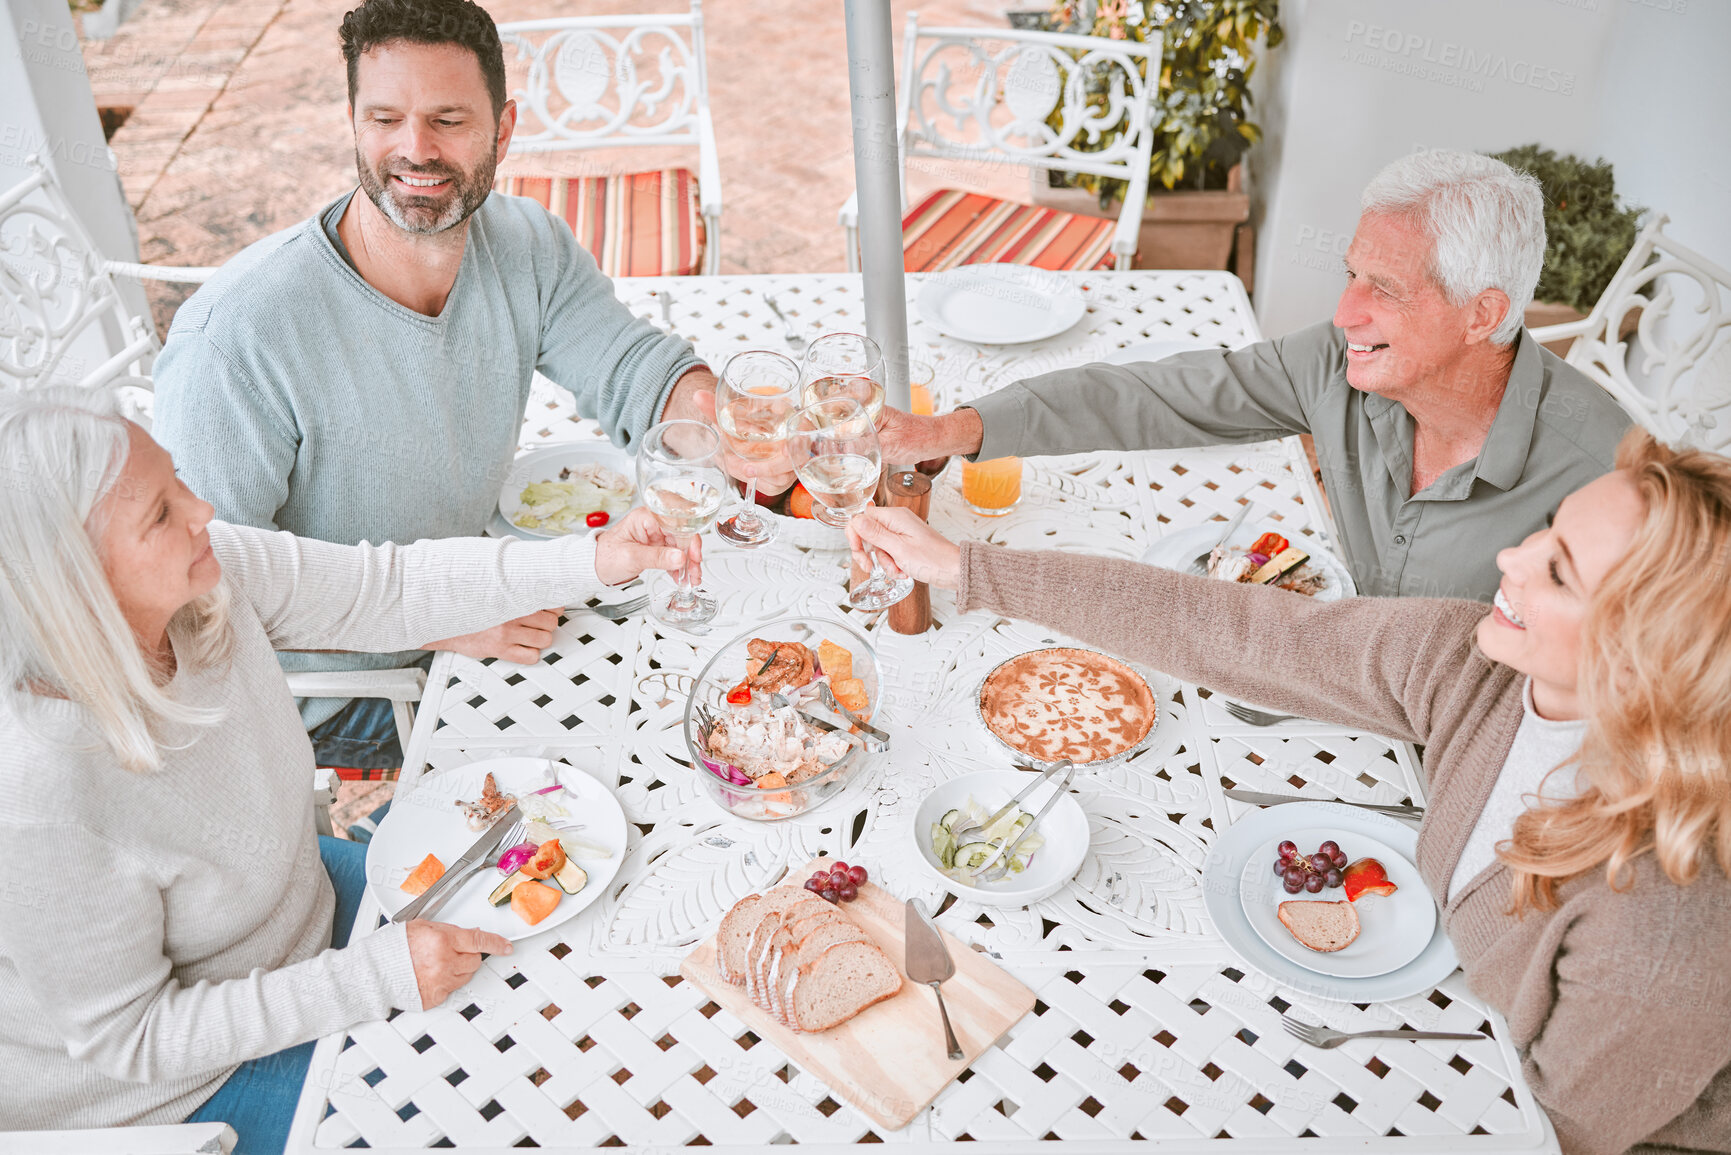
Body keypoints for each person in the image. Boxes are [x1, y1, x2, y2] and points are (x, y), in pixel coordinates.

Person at [846, 426, 1731, 1155]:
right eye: (1546, 530)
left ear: (1647, 655)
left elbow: (1555, 1133)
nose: (1511, 555)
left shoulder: (1660, 926)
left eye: (1560, 571)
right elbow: (1244, 629)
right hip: (1446, 1025)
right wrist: (965, 567)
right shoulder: (1483, 666)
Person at [0, 387, 698, 1152]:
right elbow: (135, 1039)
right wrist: (376, 978)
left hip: (305, 912)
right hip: (188, 1091)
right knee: (501, 1110)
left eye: (176, 481)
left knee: (577, 972)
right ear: (73, 584)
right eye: (161, 514)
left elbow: (385, 587)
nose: (201, 508)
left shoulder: (206, 575)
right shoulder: (41, 793)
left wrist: (593, 560)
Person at [149, 0, 773, 773]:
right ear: (353, 122)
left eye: (447, 119)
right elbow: (197, 606)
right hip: (346, 687)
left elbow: (634, 369)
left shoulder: (528, 243)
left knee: (717, 697)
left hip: (484, 588)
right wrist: (435, 619)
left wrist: (714, 416)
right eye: (385, 119)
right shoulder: (237, 337)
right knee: (625, 760)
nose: (414, 149)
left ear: (502, 131)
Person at [878, 150, 1632, 603]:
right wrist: (952, 429)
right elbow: (1153, 395)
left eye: (1384, 290)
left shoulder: (1610, 481)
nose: (1343, 312)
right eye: (1350, 276)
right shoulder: (1341, 367)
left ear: (1481, 313)